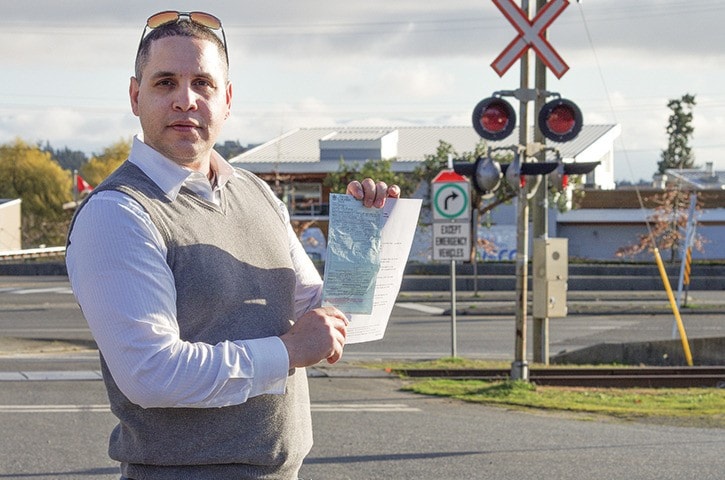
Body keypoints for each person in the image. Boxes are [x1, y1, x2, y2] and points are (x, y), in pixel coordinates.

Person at [65, 11, 399, 480]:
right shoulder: (117, 212)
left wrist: (361, 240)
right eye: (165, 83)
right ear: (136, 96)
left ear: (227, 99)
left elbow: (328, 318)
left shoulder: (256, 193)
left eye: (203, 83)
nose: (186, 100)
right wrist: (287, 351)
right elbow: (150, 371)